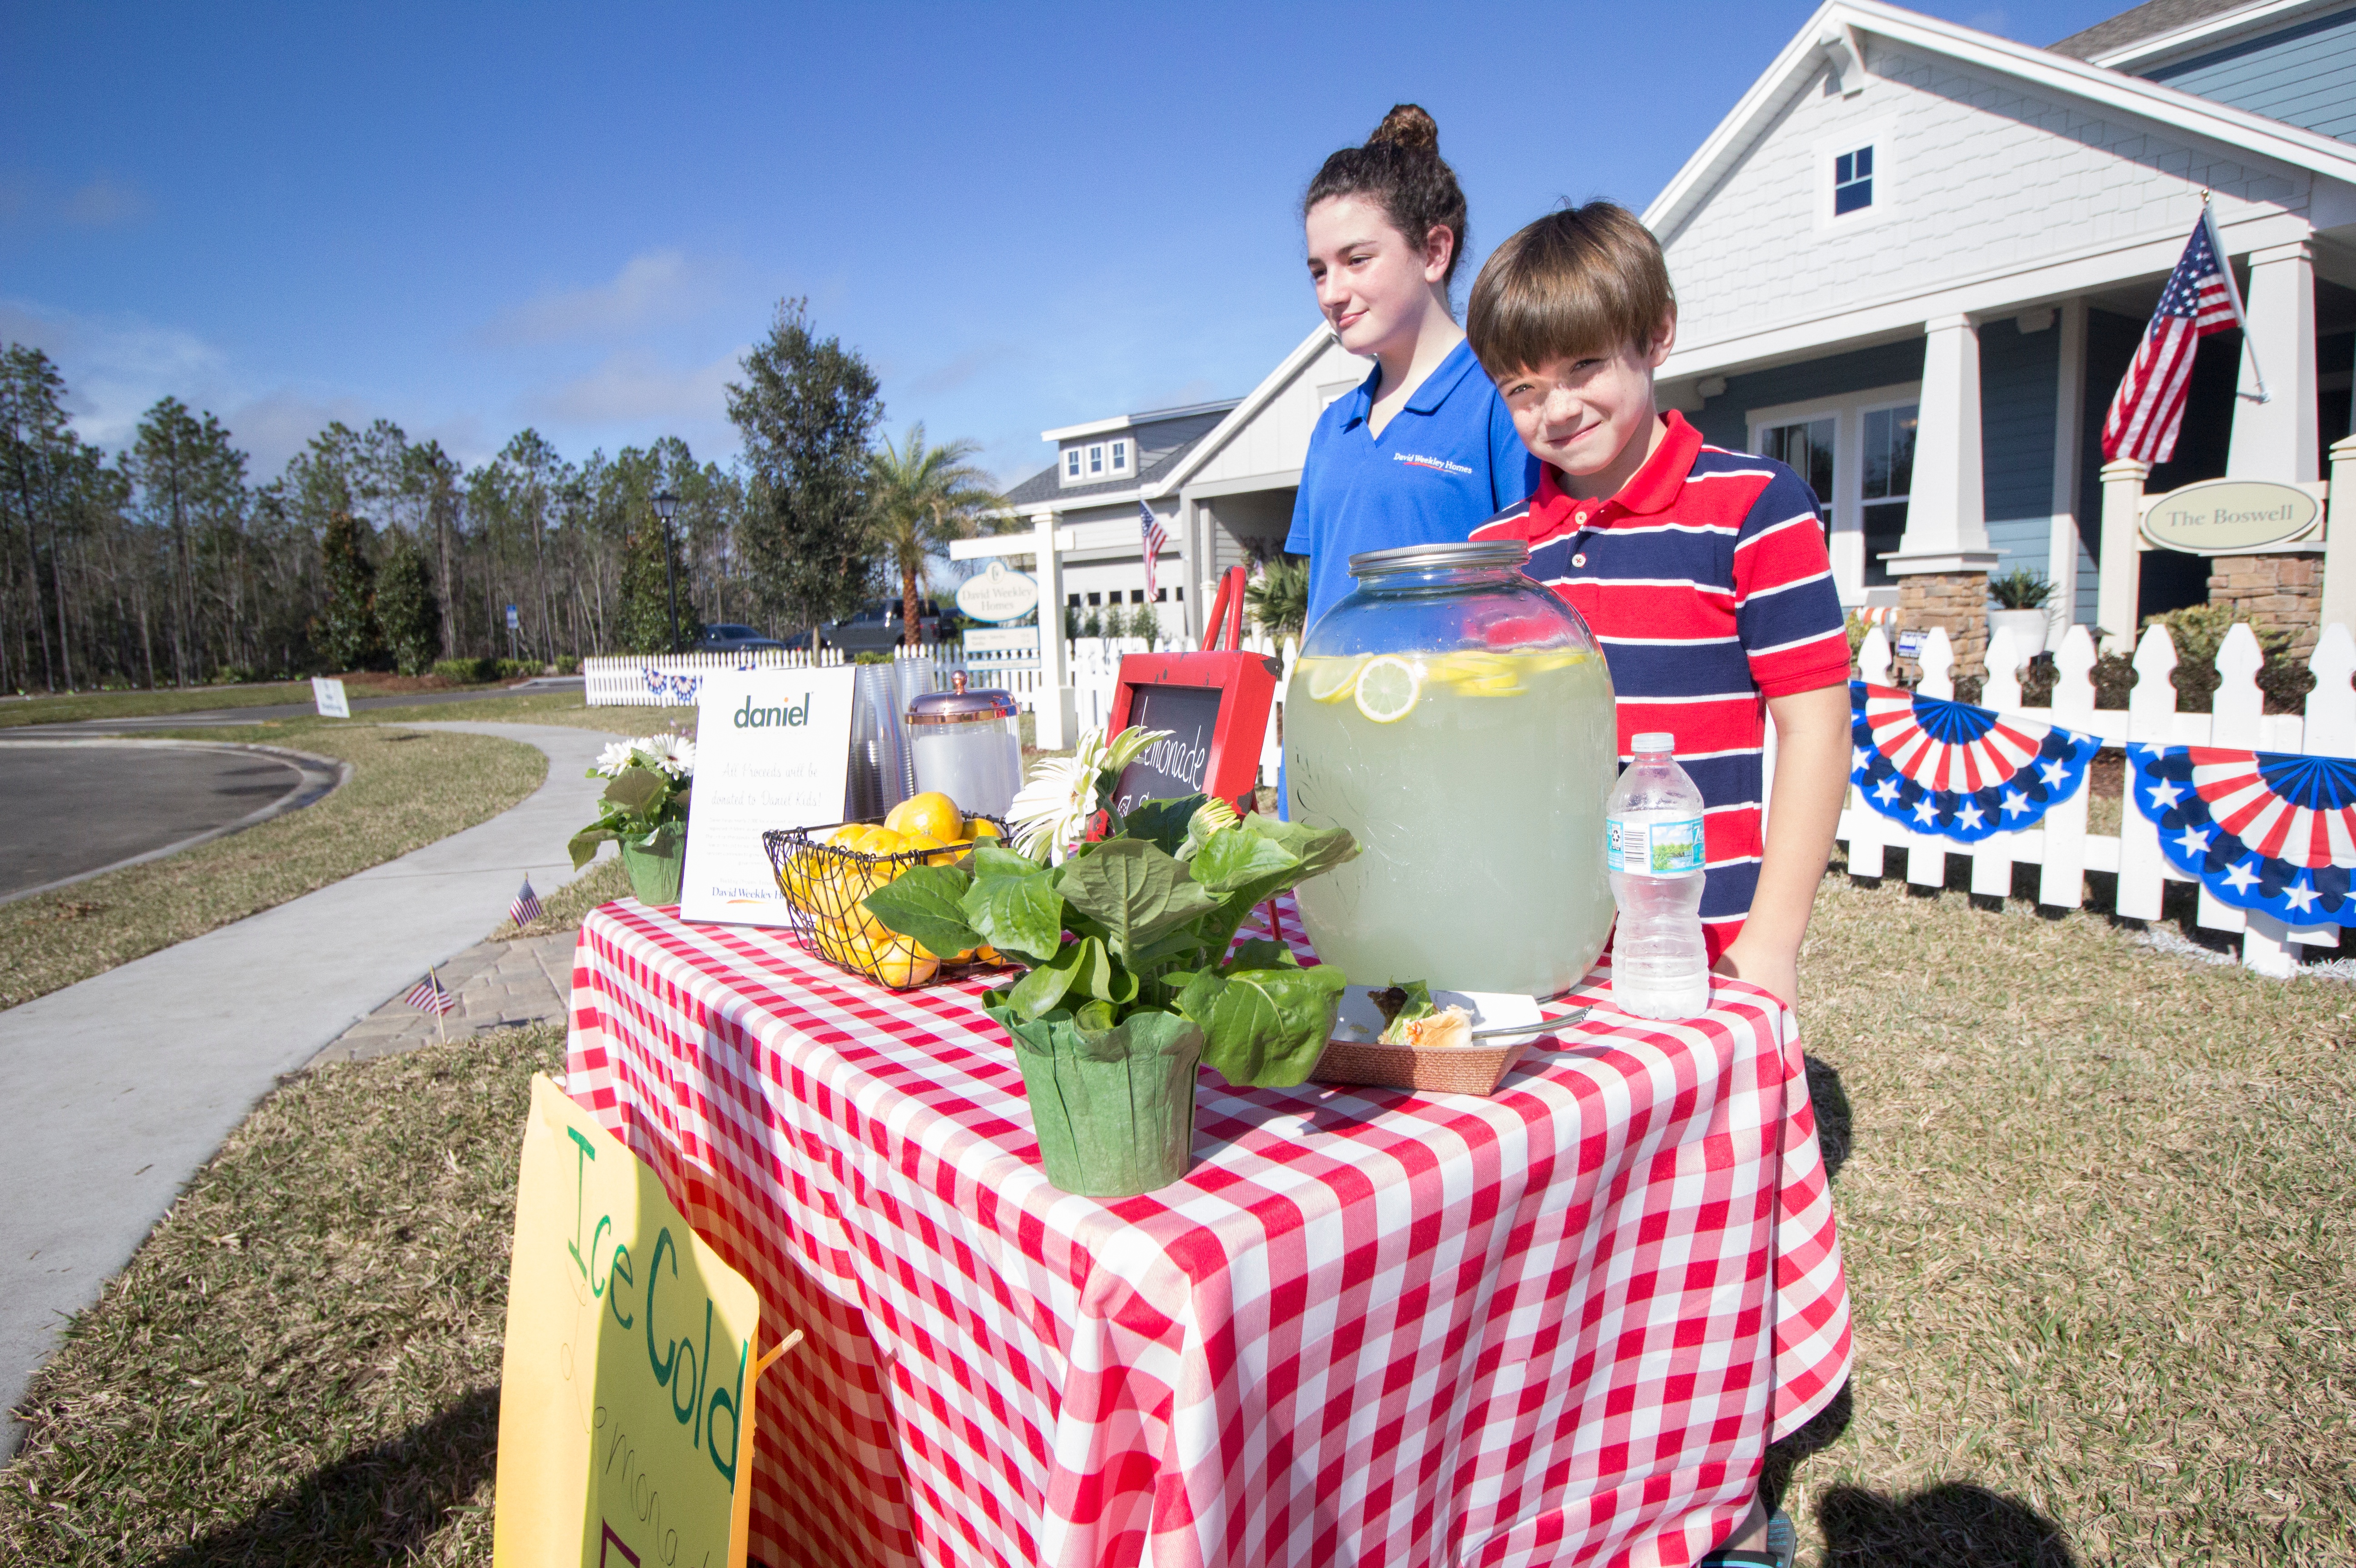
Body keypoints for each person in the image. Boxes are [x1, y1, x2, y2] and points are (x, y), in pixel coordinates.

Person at [1466, 204, 1852, 1564]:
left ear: (1657, 339)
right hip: (1566, 948)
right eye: (1524, 388)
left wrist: (1778, 941)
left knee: (1705, 1226)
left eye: (1584, 371)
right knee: (1584, 1224)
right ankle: (1582, 1468)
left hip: (1708, 943)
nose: (1558, 409)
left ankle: (1728, 1492)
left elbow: (1814, 718)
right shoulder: (1516, 546)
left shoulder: (1752, 506)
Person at [1283, 104, 1538, 634]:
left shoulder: (1504, 400)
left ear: (1433, 251)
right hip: (1337, 711)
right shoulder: (1333, 429)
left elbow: (1536, 595)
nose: (1331, 293)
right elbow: (1318, 613)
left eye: (1357, 260)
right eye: (1317, 271)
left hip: (1456, 712)